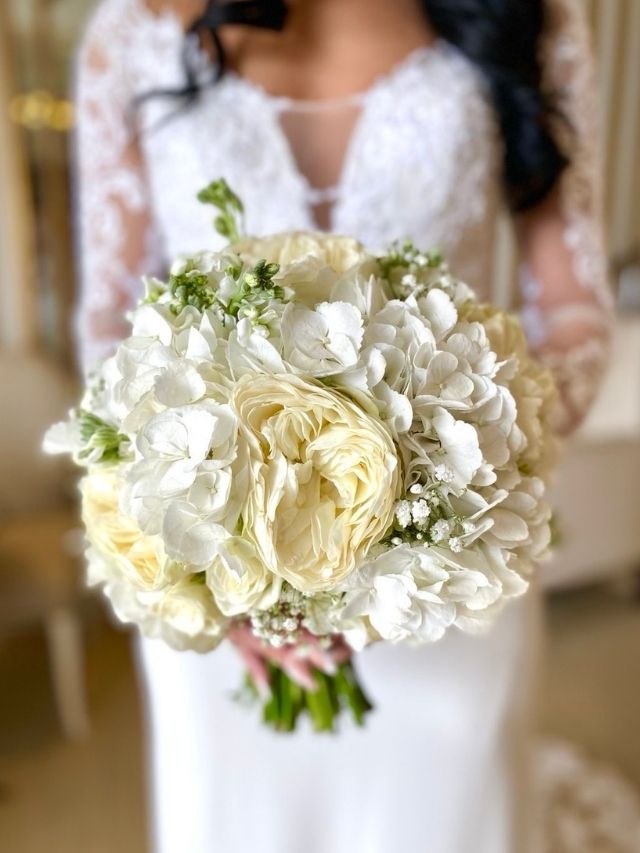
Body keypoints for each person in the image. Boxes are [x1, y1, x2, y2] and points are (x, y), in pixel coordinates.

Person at [73, 1, 611, 851]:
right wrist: (232, 572)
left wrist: (457, 481)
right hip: (217, 578)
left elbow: (574, 309)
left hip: (451, 572)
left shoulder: (529, 17)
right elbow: (109, 323)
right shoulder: (132, 31)